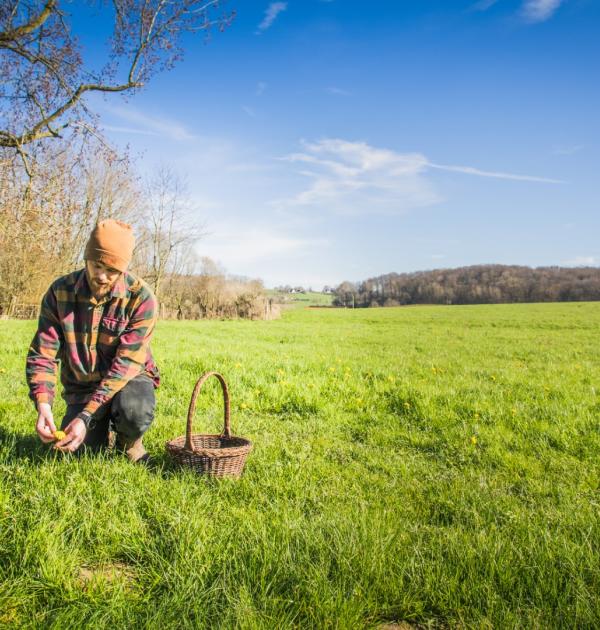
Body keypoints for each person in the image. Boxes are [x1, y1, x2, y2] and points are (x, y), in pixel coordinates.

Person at [26, 219, 160, 462]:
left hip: (128, 379)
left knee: (134, 410)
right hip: (83, 385)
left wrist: (86, 416)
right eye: (97, 265)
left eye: (113, 271)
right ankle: (98, 432)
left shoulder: (141, 298)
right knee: (80, 453)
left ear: (123, 270)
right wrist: (43, 404)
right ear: (86, 257)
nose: (103, 276)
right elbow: (42, 353)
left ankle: (128, 442)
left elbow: (125, 365)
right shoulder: (59, 292)